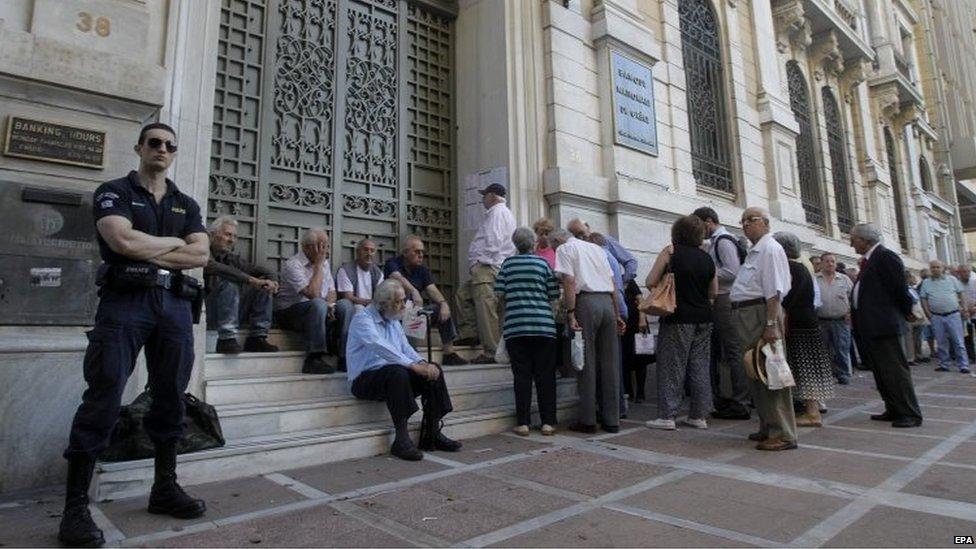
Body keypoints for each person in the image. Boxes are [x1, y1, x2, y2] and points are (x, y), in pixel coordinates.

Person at [59, 123, 210, 547]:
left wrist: (149, 243)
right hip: (126, 303)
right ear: (140, 148)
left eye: (169, 145)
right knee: (104, 395)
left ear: (175, 152)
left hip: (175, 306)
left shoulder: (186, 202)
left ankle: (164, 487)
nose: (162, 149)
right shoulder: (114, 191)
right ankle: (75, 508)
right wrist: (170, 244)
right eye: (154, 143)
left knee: (170, 398)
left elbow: (201, 253)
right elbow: (120, 240)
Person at [346, 280, 462, 460]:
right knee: (397, 371)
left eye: (403, 300)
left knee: (434, 370)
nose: (403, 305)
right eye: (399, 302)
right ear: (384, 304)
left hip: (391, 377)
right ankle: (401, 440)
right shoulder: (363, 318)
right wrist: (412, 365)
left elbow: (406, 348)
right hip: (364, 380)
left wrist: (422, 363)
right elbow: (381, 347)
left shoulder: (393, 320)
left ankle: (432, 433)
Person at [729, 207, 796, 451]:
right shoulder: (755, 251)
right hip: (748, 314)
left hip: (761, 314)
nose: (746, 224)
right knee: (756, 371)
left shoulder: (771, 249)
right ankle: (768, 425)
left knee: (772, 372)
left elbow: (774, 291)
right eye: (743, 220)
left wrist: (770, 324)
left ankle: (784, 433)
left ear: (766, 223)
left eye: (751, 220)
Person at [644, 216, 717, 431]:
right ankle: (698, 416)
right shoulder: (707, 258)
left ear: (676, 232)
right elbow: (713, 292)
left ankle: (667, 416)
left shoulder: (671, 251)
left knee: (672, 365)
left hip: (677, 316)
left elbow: (650, 281)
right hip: (704, 317)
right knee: (700, 366)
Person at [550, 228, 626, 433]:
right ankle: (612, 419)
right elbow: (612, 283)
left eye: (553, 246)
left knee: (586, 362)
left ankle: (588, 419)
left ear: (558, 240)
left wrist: (571, 312)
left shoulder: (566, 249)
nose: (554, 250)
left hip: (585, 302)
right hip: (607, 303)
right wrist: (617, 313)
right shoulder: (596, 249)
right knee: (610, 362)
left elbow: (569, 280)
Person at [850, 223, 923, 428]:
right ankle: (893, 408)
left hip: (885, 325)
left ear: (865, 240)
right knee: (882, 372)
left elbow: (899, 288)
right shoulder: (869, 260)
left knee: (894, 371)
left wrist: (907, 311)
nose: (851, 242)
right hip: (872, 326)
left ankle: (909, 412)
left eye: (854, 239)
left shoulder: (885, 257)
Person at [495, 227, 561, 436]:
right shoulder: (542, 264)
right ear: (533, 243)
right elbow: (553, 294)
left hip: (516, 327)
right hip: (543, 327)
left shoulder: (507, 264)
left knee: (521, 376)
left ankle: (523, 422)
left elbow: (499, 294)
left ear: (515, 244)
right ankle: (547, 422)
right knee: (545, 376)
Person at [692, 207, 749, 420]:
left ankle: (741, 401)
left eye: (700, 225)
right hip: (722, 299)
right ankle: (732, 397)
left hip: (727, 298)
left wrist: (707, 272)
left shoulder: (723, 240)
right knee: (727, 351)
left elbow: (732, 271)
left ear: (709, 221)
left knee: (733, 350)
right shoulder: (716, 242)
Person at [774, 232, 834, 427]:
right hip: (807, 321)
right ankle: (811, 409)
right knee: (806, 365)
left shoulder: (790, 268)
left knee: (804, 366)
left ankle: (812, 412)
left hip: (798, 323)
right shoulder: (801, 268)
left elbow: (786, 298)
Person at [383, 235, 468, 366]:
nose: (421, 255)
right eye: (417, 251)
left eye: (422, 252)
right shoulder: (393, 263)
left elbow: (432, 290)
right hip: (396, 314)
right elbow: (397, 277)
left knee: (440, 309)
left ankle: (448, 353)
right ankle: (411, 354)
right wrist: (414, 291)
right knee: (408, 308)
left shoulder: (422, 270)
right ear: (405, 253)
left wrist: (444, 304)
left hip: (415, 313)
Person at [455, 183, 516, 363]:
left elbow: (493, 241)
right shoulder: (502, 213)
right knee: (463, 295)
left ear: (493, 196)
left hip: (487, 268)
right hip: (487, 268)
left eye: (484, 195)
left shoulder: (497, 213)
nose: (482, 199)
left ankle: (492, 352)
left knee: (486, 309)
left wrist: (481, 262)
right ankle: (470, 333)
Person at [205, 215, 279, 354]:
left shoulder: (230, 257)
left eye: (234, 236)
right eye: (227, 235)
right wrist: (251, 280)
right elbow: (217, 268)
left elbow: (261, 270)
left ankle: (257, 338)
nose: (232, 240)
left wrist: (272, 281)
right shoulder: (204, 252)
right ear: (213, 234)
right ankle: (226, 339)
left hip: (232, 313)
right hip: (206, 313)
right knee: (229, 284)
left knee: (264, 287)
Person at [275, 228, 337, 374]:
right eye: (321, 245)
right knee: (318, 303)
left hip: (318, 310)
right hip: (290, 314)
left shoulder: (324, 263)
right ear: (306, 247)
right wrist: (317, 266)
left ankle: (343, 357)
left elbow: (332, 291)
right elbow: (313, 294)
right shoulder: (293, 265)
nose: (325, 250)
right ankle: (313, 358)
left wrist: (330, 306)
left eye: (326, 245)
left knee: (345, 307)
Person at [335, 239, 384, 368]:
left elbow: (380, 297)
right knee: (358, 311)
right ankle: (344, 357)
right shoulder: (345, 270)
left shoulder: (378, 273)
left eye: (372, 250)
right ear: (357, 252)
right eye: (365, 249)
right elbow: (348, 296)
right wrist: (370, 303)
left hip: (371, 308)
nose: (369, 253)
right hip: (353, 306)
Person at [919, 260, 971, 373]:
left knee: (958, 341)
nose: (935, 269)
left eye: (938, 267)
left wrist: (965, 309)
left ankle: (963, 365)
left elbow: (961, 294)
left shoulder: (952, 280)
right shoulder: (926, 282)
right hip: (936, 316)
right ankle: (944, 364)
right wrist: (928, 314)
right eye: (933, 267)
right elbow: (923, 299)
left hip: (953, 314)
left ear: (943, 268)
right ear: (930, 269)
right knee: (941, 342)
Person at [816, 253, 853, 384]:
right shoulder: (815, 279)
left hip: (841, 320)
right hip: (821, 320)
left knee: (842, 348)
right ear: (821, 263)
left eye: (832, 261)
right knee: (823, 349)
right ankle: (825, 374)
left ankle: (843, 374)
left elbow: (853, 297)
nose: (830, 264)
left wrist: (850, 313)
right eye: (827, 261)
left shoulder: (844, 279)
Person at [567, 218, 637, 283]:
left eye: (581, 233)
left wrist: (623, 281)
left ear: (587, 227)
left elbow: (630, 261)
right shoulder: (577, 247)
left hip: (612, 290)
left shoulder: (605, 240)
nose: (580, 237)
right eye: (576, 236)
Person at [622, 279, 650, 403]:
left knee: (641, 359)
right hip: (624, 326)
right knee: (625, 359)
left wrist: (642, 319)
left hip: (637, 324)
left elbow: (641, 301)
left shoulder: (630, 282)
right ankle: (628, 391)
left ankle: (640, 392)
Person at [955, 265, 976, 361]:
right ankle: (971, 356)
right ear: (958, 273)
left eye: (968, 271)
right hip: (964, 315)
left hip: (975, 312)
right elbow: (955, 300)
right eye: (963, 271)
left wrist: (974, 309)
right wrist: (964, 311)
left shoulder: (974, 283)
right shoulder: (955, 284)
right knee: (968, 337)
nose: (966, 273)